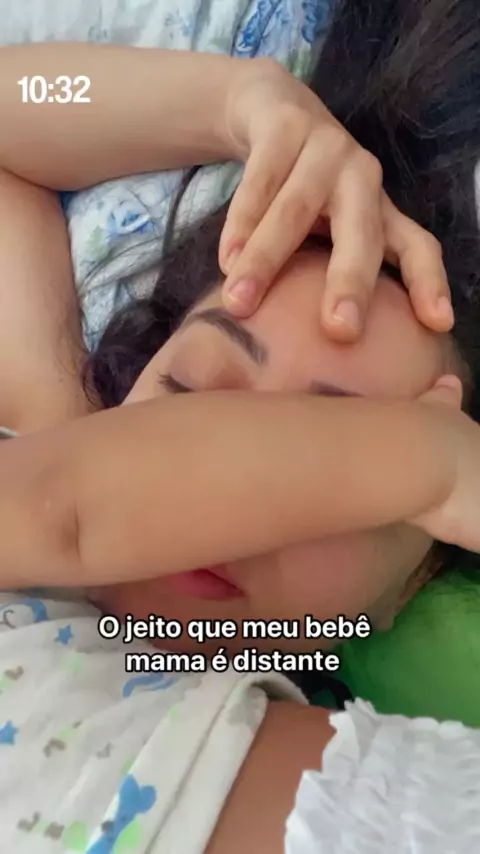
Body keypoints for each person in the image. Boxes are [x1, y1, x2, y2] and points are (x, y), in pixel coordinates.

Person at [1, 0, 480, 850]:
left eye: (338, 443)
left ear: (414, 583)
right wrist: (238, 103)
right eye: (190, 388)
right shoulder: (49, 456)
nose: (219, 478)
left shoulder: (371, 784)